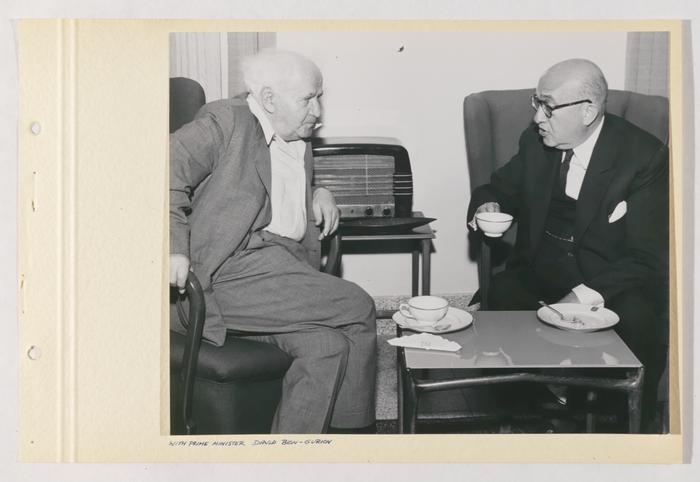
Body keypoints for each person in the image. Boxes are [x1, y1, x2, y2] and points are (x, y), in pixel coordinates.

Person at [169, 50, 377, 434]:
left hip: (277, 274)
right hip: (226, 274)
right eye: (308, 99)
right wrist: (173, 247)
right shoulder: (224, 122)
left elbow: (267, 182)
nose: (318, 111)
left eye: (319, 97)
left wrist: (318, 191)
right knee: (358, 304)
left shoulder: (293, 136)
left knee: (326, 347)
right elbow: (161, 166)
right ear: (268, 99)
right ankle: (355, 446)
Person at [467, 59, 669, 431]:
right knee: (501, 297)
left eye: (548, 106)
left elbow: (649, 256)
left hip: (612, 281)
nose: (537, 117)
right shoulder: (537, 143)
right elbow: (498, 186)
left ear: (588, 110)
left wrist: (583, 295)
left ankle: (630, 434)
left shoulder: (643, 156)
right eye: (535, 102)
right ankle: (533, 418)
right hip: (542, 269)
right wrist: (488, 203)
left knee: (641, 324)